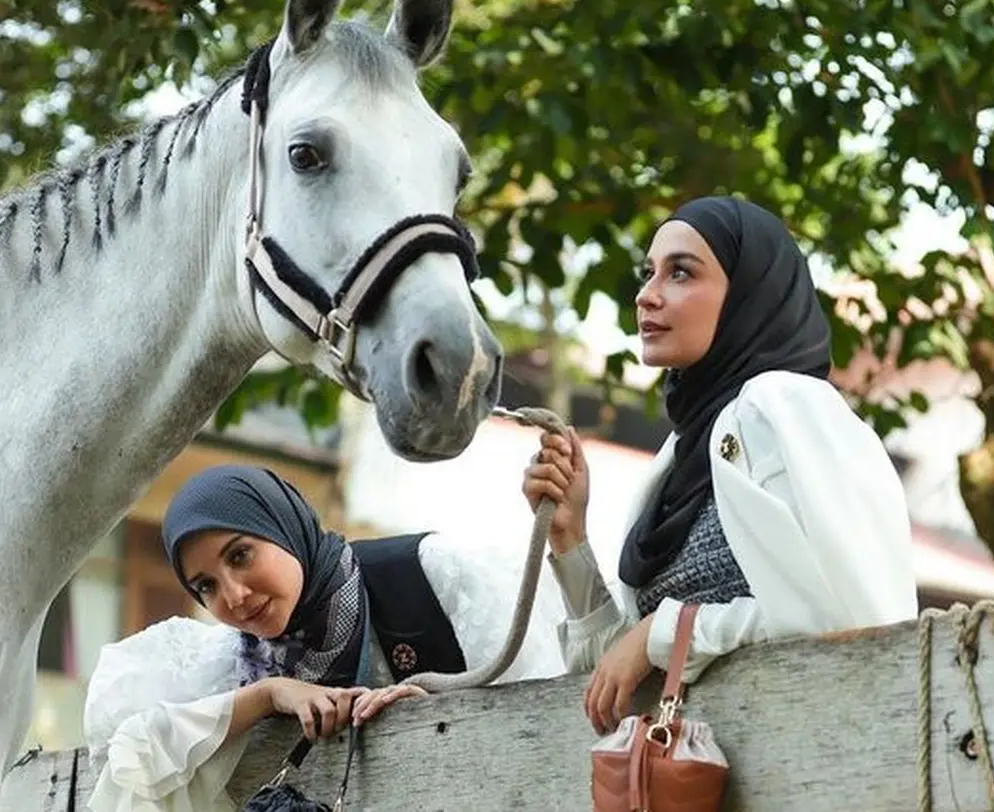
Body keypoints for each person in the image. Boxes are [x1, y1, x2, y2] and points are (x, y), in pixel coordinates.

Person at [522, 195, 918, 736]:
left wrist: (669, 631)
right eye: (648, 273)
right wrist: (570, 542)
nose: (646, 295)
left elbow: (854, 624)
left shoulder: (784, 404)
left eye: (680, 273)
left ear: (748, 295)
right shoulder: (680, 457)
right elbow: (615, 683)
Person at [85, 465, 566, 811]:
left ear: (283, 526)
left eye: (240, 555)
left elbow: (548, 720)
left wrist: (433, 710)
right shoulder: (228, 665)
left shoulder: (430, 578)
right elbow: (126, 753)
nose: (233, 595)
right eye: (205, 586)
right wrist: (269, 695)